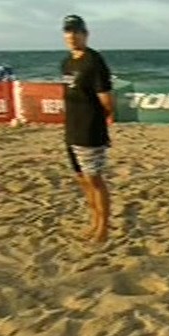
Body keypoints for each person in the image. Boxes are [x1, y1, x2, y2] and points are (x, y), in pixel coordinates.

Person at [60, 14, 114, 243]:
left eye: (76, 31)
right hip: (72, 130)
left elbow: (107, 102)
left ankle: (103, 227)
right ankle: (94, 221)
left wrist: (98, 122)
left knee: (95, 180)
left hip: (90, 130)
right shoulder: (67, 62)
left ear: (85, 34)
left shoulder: (94, 61)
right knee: (81, 179)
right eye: (68, 31)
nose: (72, 36)